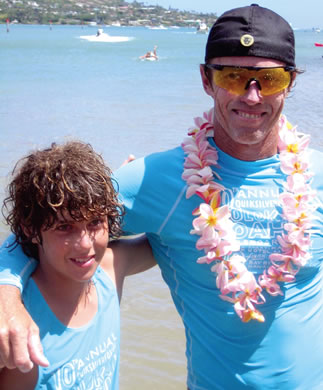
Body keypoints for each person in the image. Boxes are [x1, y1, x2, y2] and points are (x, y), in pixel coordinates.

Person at [0, 4, 323, 389]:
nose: (252, 97)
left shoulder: (317, 177)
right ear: (206, 79)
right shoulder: (155, 180)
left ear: (289, 83)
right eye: (233, 76)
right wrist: (6, 296)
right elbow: (45, 223)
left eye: (268, 80)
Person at [0, 141, 155, 389]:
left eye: (94, 222)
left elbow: (168, 238)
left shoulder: (110, 269)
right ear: (30, 230)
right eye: (64, 227)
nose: (85, 245)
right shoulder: (14, 323)